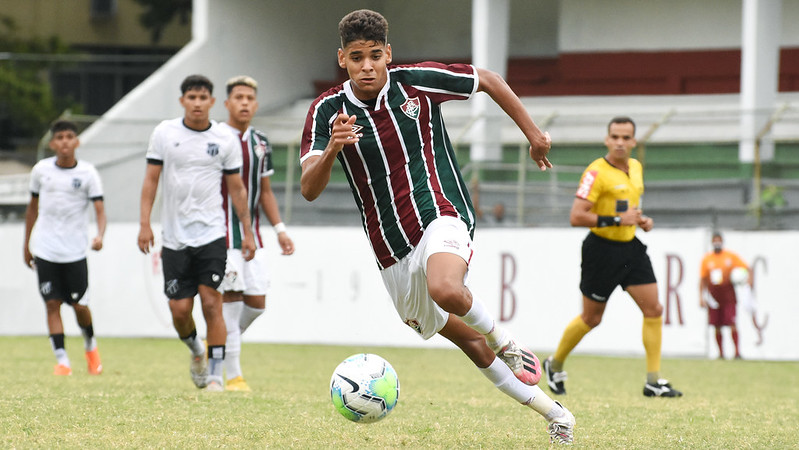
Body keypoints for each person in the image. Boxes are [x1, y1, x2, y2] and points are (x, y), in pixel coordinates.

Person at [299, 9, 575, 444]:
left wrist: (533, 133)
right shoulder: (326, 111)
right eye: (357, 57)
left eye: (375, 55)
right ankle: (556, 414)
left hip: (441, 211)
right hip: (391, 249)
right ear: (342, 60)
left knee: (447, 289)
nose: (367, 65)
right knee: (470, 342)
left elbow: (487, 79)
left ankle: (508, 340)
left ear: (388, 53)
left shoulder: (416, 81)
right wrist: (333, 146)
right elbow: (309, 189)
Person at [543, 116, 683, 398]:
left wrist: (640, 221)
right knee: (592, 318)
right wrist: (618, 219)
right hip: (601, 251)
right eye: (615, 137)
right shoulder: (596, 172)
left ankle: (653, 381)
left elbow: (628, 208)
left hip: (631, 248)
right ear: (607, 139)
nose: (620, 142)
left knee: (654, 309)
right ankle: (553, 363)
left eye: (626, 137)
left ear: (634, 141)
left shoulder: (636, 167)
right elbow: (576, 216)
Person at [138, 74, 256, 392]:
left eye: (203, 98)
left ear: (212, 102)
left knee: (211, 303)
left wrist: (247, 231)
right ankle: (196, 350)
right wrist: (145, 223)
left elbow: (237, 189)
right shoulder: (165, 133)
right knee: (179, 310)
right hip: (175, 239)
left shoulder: (223, 140)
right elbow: (150, 181)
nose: (197, 103)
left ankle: (216, 376)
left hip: (211, 235)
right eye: (192, 97)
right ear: (183, 102)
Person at [218, 75, 295, 391]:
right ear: (227, 103)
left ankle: (217, 341)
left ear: (256, 104)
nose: (245, 103)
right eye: (239, 97)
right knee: (233, 300)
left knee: (257, 304)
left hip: (254, 237)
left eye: (250, 98)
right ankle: (234, 375)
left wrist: (280, 230)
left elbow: (265, 191)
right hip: (221, 236)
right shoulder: (216, 138)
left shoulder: (260, 141)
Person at [23, 119, 105, 376]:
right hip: (46, 250)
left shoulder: (88, 173)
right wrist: (27, 244)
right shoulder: (41, 171)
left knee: (80, 306)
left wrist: (100, 235)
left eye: (70, 137)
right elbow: (32, 208)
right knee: (51, 304)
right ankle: (62, 361)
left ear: (77, 141)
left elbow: (100, 210)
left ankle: (90, 346)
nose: (65, 142)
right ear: (52, 143)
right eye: (60, 138)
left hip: (75, 252)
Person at [699, 231, 751, 359]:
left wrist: (748, 282)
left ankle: (737, 352)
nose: (717, 242)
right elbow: (703, 279)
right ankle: (720, 353)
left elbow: (746, 268)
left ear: (722, 241)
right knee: (716, 324)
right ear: (712, 242)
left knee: (731, 322)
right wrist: (701, 296)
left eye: (719, 240)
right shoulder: (707, 259)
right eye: (715, 240)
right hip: (713, 294)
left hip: (728, 293)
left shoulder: (730, 256)